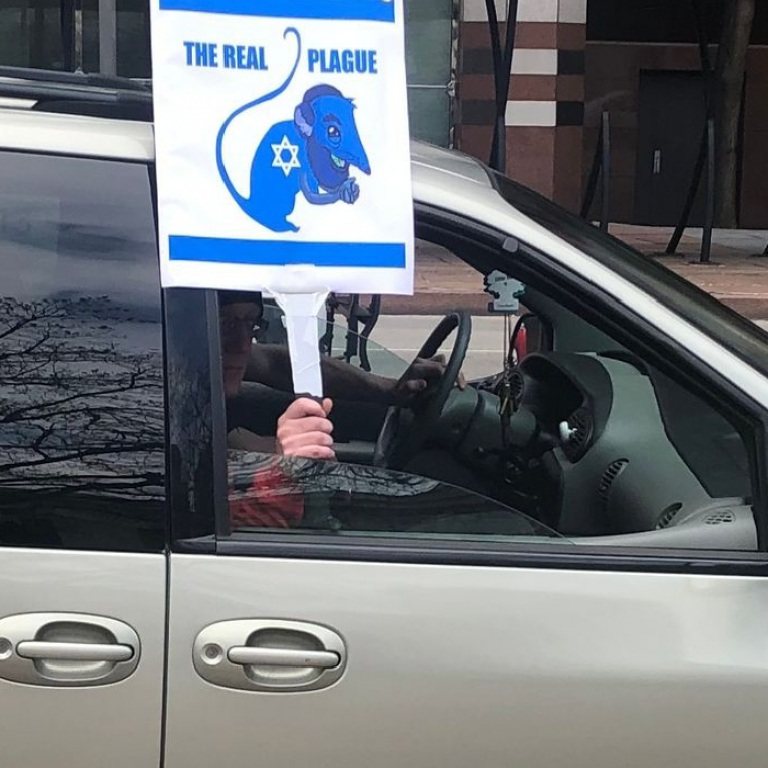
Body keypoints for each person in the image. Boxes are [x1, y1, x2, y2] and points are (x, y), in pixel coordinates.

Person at [219, 291, 455, 528]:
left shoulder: (208, 398)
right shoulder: (187, 428)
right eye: (224, 323)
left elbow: (275, 363)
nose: (242, 345)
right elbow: (234, 535)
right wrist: (282, 475)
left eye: (250, 323)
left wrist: (391, 391)